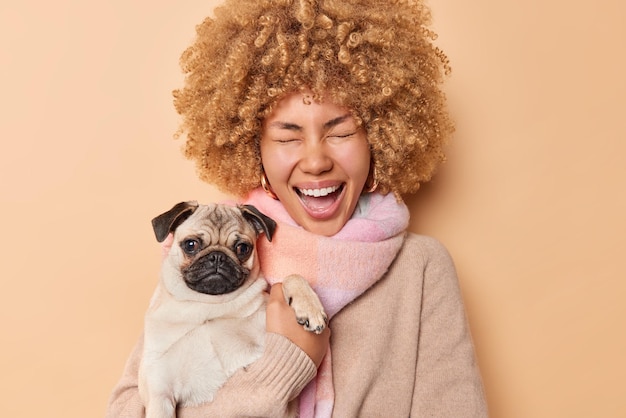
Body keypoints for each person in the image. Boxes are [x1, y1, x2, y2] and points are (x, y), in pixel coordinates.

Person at [106, 0, 488, 416]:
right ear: (254, 151)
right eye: (287, 137)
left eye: (340, 131)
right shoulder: (196, 255)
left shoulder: (421, 269)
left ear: (380, 137)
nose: (315, 160)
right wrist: (282, 368)